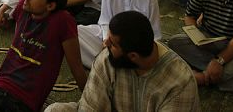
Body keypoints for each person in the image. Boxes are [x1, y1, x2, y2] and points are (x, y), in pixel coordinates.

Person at [46, 11, 200, 112]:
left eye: (112, 44)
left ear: (132, 56)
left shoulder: (180, 82)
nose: (105, 44)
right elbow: (90, 108)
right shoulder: (108, 59)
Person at [77, 0, 161, 68]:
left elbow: (154, 31)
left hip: (134, 43)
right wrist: (106, 39)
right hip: (111, 36)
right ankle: (105, 62)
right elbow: (105, 19)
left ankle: (107, 63)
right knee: (76, 32)